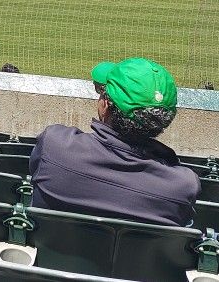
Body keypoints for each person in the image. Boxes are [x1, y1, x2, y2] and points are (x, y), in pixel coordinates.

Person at [29, 58, 199, 226]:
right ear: (165, 120)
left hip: (53, 252)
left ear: (105, 105)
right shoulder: (183, 186)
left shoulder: (55, 144)